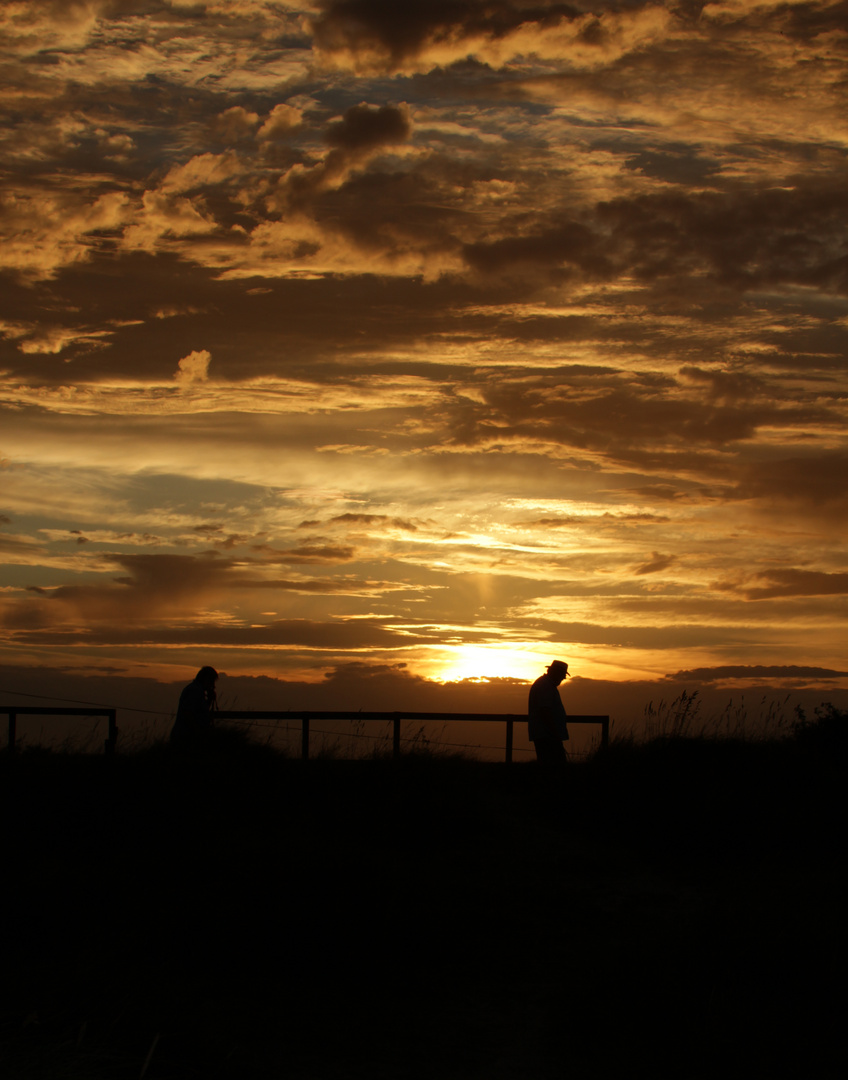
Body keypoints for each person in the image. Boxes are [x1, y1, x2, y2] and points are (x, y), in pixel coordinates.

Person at [528, 660, 569, 765]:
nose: (563, 678)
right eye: (562, 675)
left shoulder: (545, 684)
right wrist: (555, 734)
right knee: (553, 766)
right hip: (547, 736)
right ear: (555, 673)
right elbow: (545, 711)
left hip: (547, 735)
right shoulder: (545, 686)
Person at [170, 666, 218, 749]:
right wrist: (198, 731)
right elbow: (188, 714)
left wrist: (209, 700)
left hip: (188, 735)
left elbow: (200, 711)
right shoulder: (194, 691)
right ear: (206, 679)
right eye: (212, 681)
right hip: (186, 737)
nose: (213, 685)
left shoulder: (197, 691)